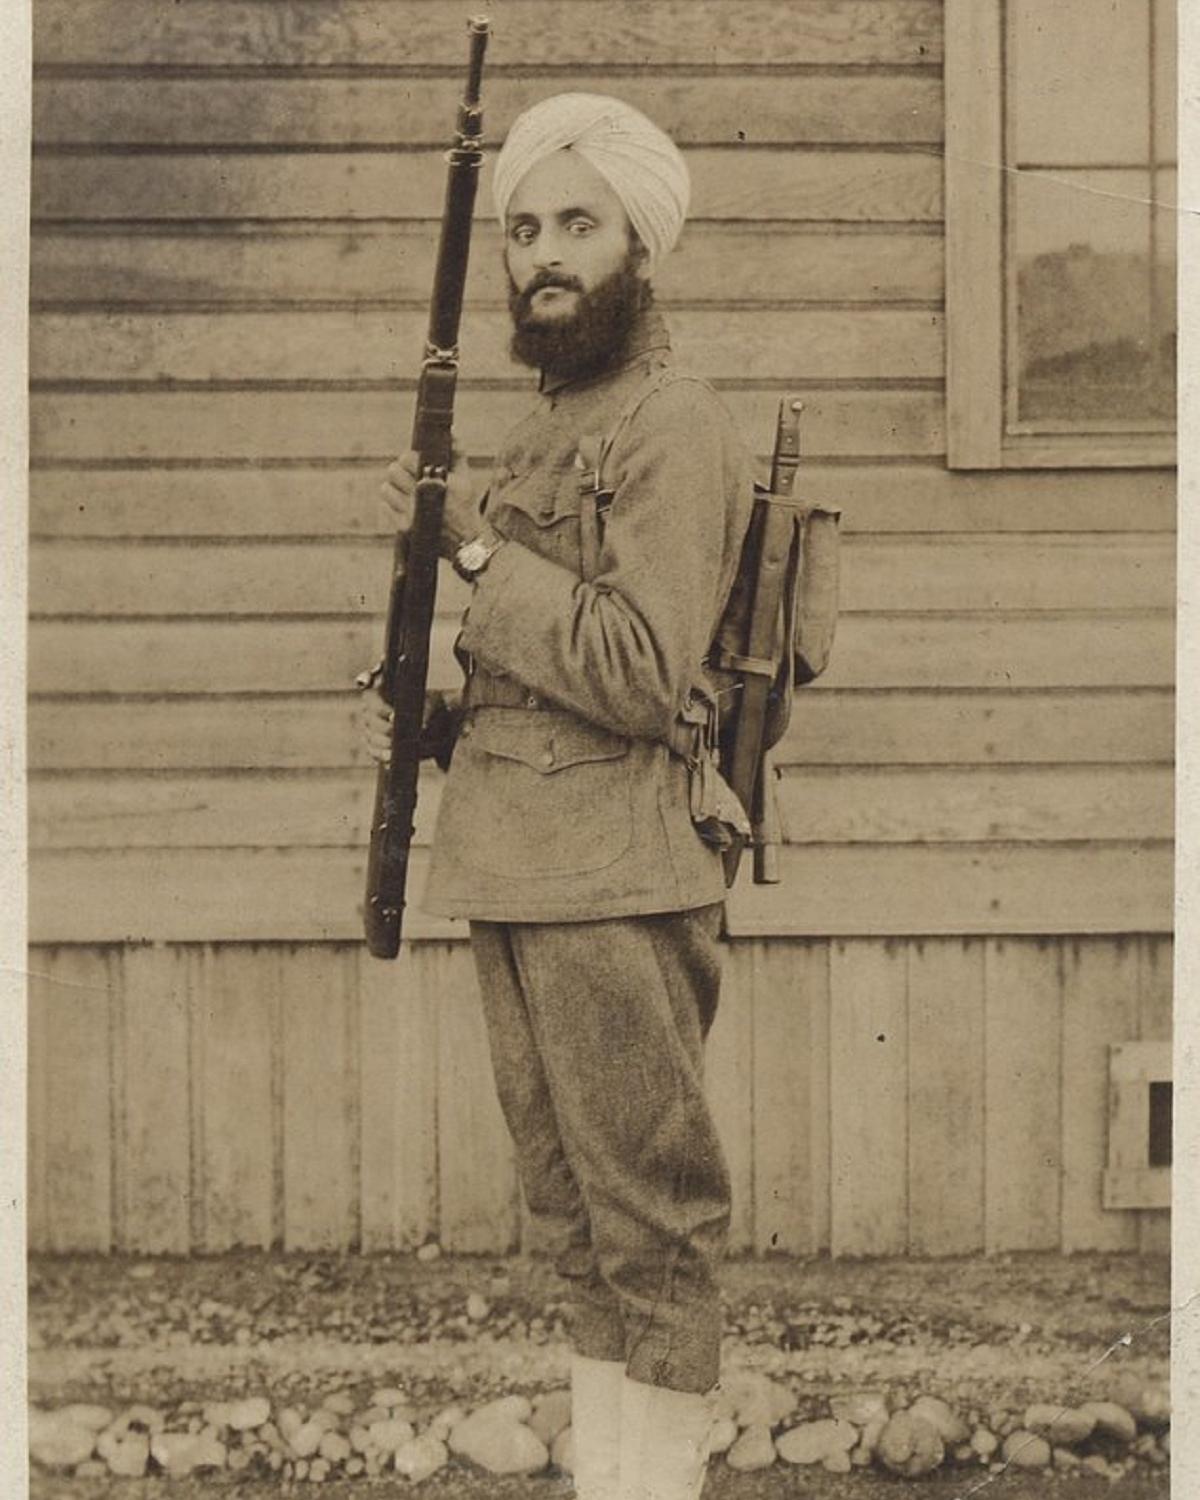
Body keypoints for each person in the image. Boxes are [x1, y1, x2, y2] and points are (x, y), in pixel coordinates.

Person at [365, 93, 755, 1500]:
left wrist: (472, 554)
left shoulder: (672, 424)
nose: (543, 255)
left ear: (639, 243)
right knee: (575, 1222)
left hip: (618, 872)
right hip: (516, 860)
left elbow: (644, 673)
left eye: (576, 224)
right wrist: (432, 719)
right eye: (524, 228)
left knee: (651, 1222)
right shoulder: (547, 426)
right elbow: (543, 676)